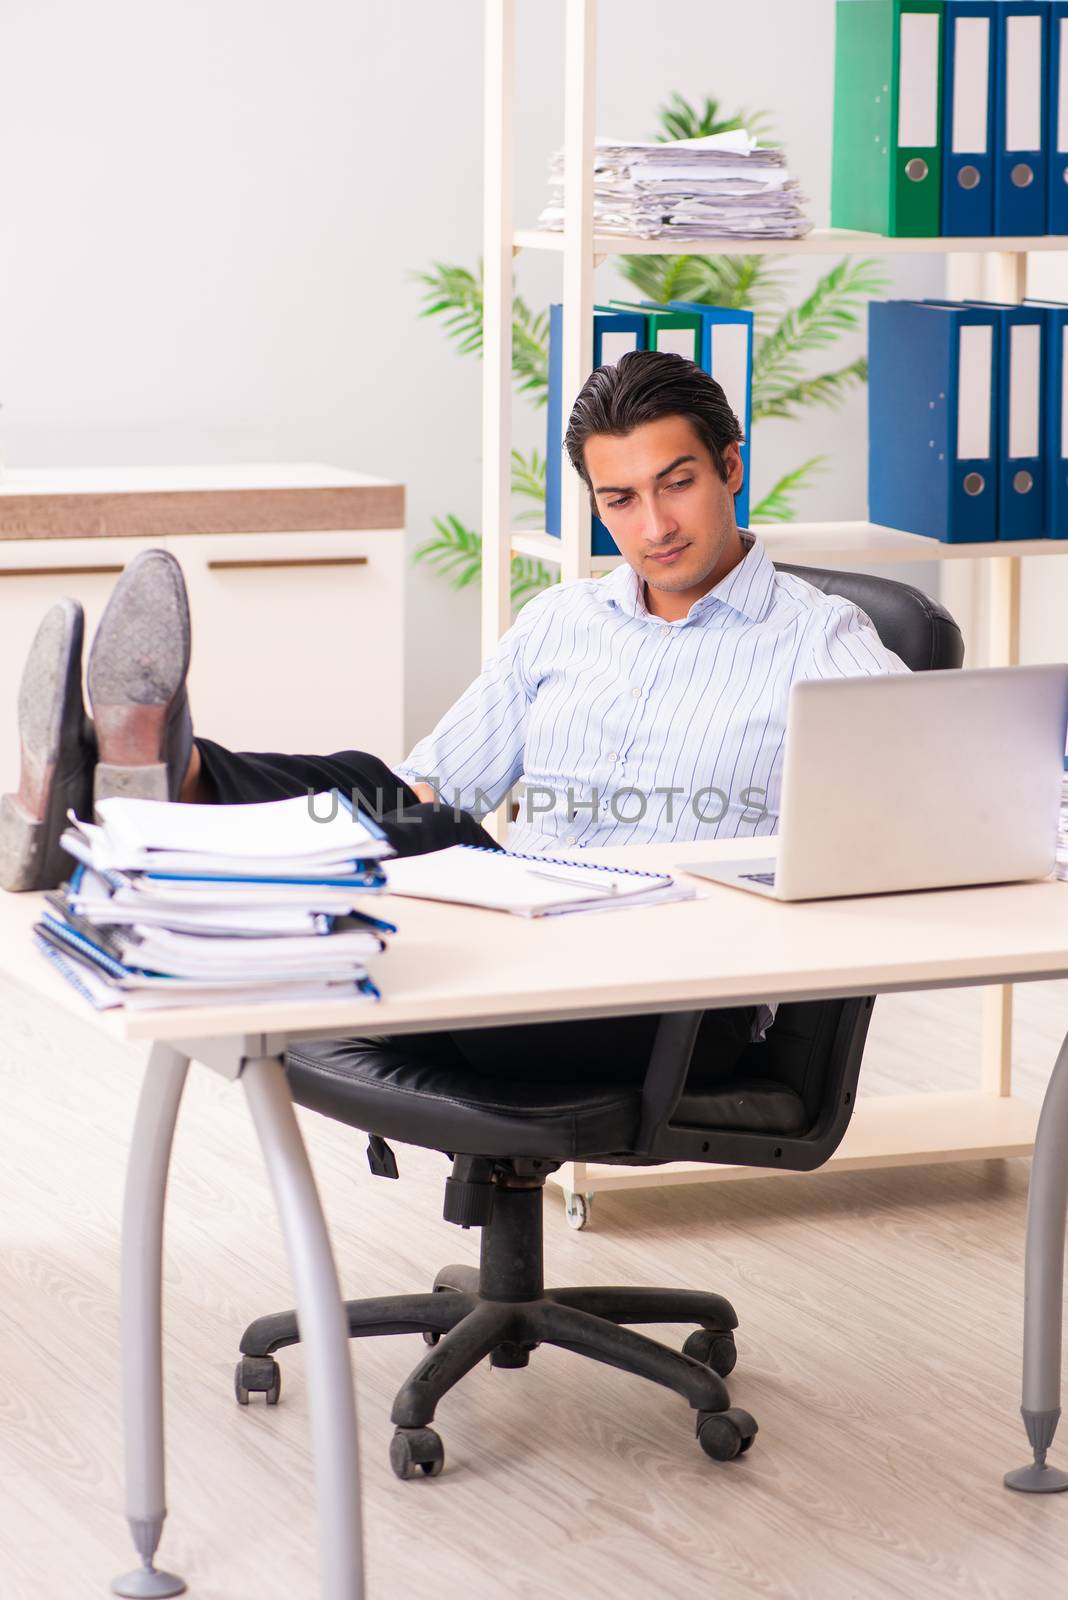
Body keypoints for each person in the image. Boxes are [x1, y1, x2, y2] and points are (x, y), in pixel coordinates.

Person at [0, 349, 907, 1087]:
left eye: (677, 485)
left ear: (731, 469)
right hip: (516, 952)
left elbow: (928, 799)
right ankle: (162, 780)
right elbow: (434, 789)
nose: (653, 525)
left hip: (672, 1003)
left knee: (421, 824)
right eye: (619, 499)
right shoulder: (563, 620)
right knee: (380, 789)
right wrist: (358, 825)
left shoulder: (819, 637)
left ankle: (128, 807)